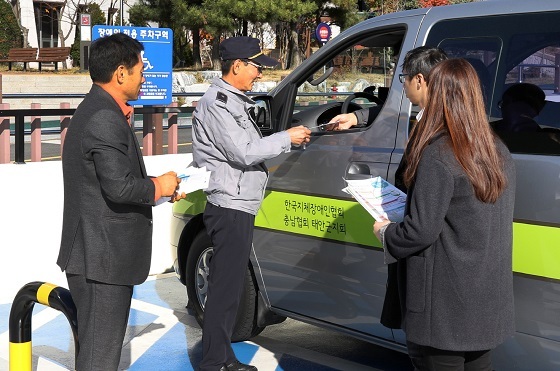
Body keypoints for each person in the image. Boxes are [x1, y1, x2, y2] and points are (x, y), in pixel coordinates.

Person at [374, 58, 516, 370]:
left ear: (440, 95)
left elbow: (420, 231)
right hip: (486, 300)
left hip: (443, 307)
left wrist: (385, 231)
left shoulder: (438, 154)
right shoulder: (497, 149)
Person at [57, 33, 185, 371]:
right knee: (99, 359)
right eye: (141, 69)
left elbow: (106, 188)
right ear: (121, 73)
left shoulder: (100, 110)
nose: (145, 76)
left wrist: (162, 191)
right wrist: (158, 185)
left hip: (99, 255)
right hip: (101, 259)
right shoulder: (103, 118)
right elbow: (119, 188)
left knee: (96, 352)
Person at [191, 36, 310, 371]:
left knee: (228, 289)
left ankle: (222, 357)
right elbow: (243, 151)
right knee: (225, 288)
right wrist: (288, 137)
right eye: (256, 66)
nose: (259, 73)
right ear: (237, 66)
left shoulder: (234, 100)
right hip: (229, 205)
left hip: (239, 202)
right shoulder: (218, 104)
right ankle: (215, 361)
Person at [327, 46, 448, 133]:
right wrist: (354, 118)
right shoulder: (445, 115)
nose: (403, 84)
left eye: (404, 77)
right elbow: (394, 112)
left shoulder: (436, 132)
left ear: (419, 80)